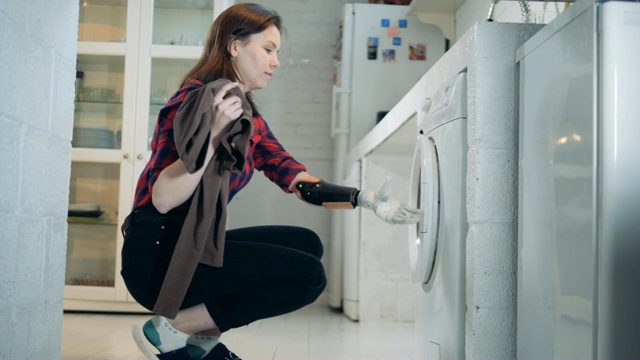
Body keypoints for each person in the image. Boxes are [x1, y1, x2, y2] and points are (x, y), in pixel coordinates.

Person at [120, 3, 420, 360]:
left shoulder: (247, 119)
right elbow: (164, 199)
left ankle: (200, 343)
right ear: (234, 46)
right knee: (308, 276)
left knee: (306, 244)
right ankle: (173, 330)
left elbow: (292, 174)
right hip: (157, 253)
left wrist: (363, 198)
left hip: (191, 244)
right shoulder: (198, 100)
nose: (275, 61)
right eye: (268, 49)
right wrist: (212, 137)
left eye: (277, 52)